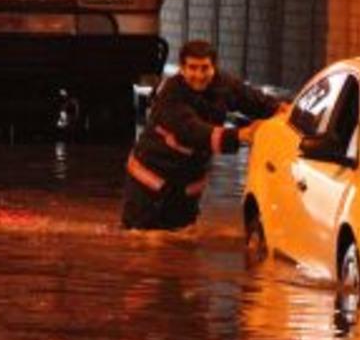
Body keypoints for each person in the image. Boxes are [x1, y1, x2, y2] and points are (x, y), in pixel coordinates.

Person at [121, 40, 284, 230]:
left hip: (187, 185)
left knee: (183, 240)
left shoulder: (224, 85)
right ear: (182, 68)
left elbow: (254, 100)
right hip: (148, 183)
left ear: (214, 67)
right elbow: (191, 131)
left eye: (204, 68)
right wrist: (241, 135)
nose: (199, 75)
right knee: (142, 241)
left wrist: (282, 110)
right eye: (192, 68)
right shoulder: (170, 93)